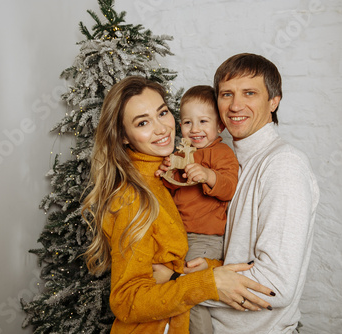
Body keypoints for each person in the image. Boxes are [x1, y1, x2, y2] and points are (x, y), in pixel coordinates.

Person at [81, 76, 275, 334]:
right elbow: (126, 301)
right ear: (123, 136)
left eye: (162, 113)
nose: (161, 128)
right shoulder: (131, 197)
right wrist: (205, 283)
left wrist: (211, 269)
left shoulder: (168, 173)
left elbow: (182, 258)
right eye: (143, 122)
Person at [199, 53, 320, 333]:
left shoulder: (283, 165)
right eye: (226, 94)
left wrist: (181, 284)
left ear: (274, 101)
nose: (235, 105)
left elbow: (275, 284)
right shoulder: (227, 162)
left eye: (249, 93)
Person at [156, 85, 239, 334]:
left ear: (220, 126)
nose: (195, 129)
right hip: (180, 235)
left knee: (191, 290)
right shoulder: (181, 153)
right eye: (187, 122)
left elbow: (228, 187)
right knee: (173, 290)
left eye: (203, 121)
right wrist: (164, 174)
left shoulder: (221, 153)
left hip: (205, 238)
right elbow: (170, 193)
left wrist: (208, 175)